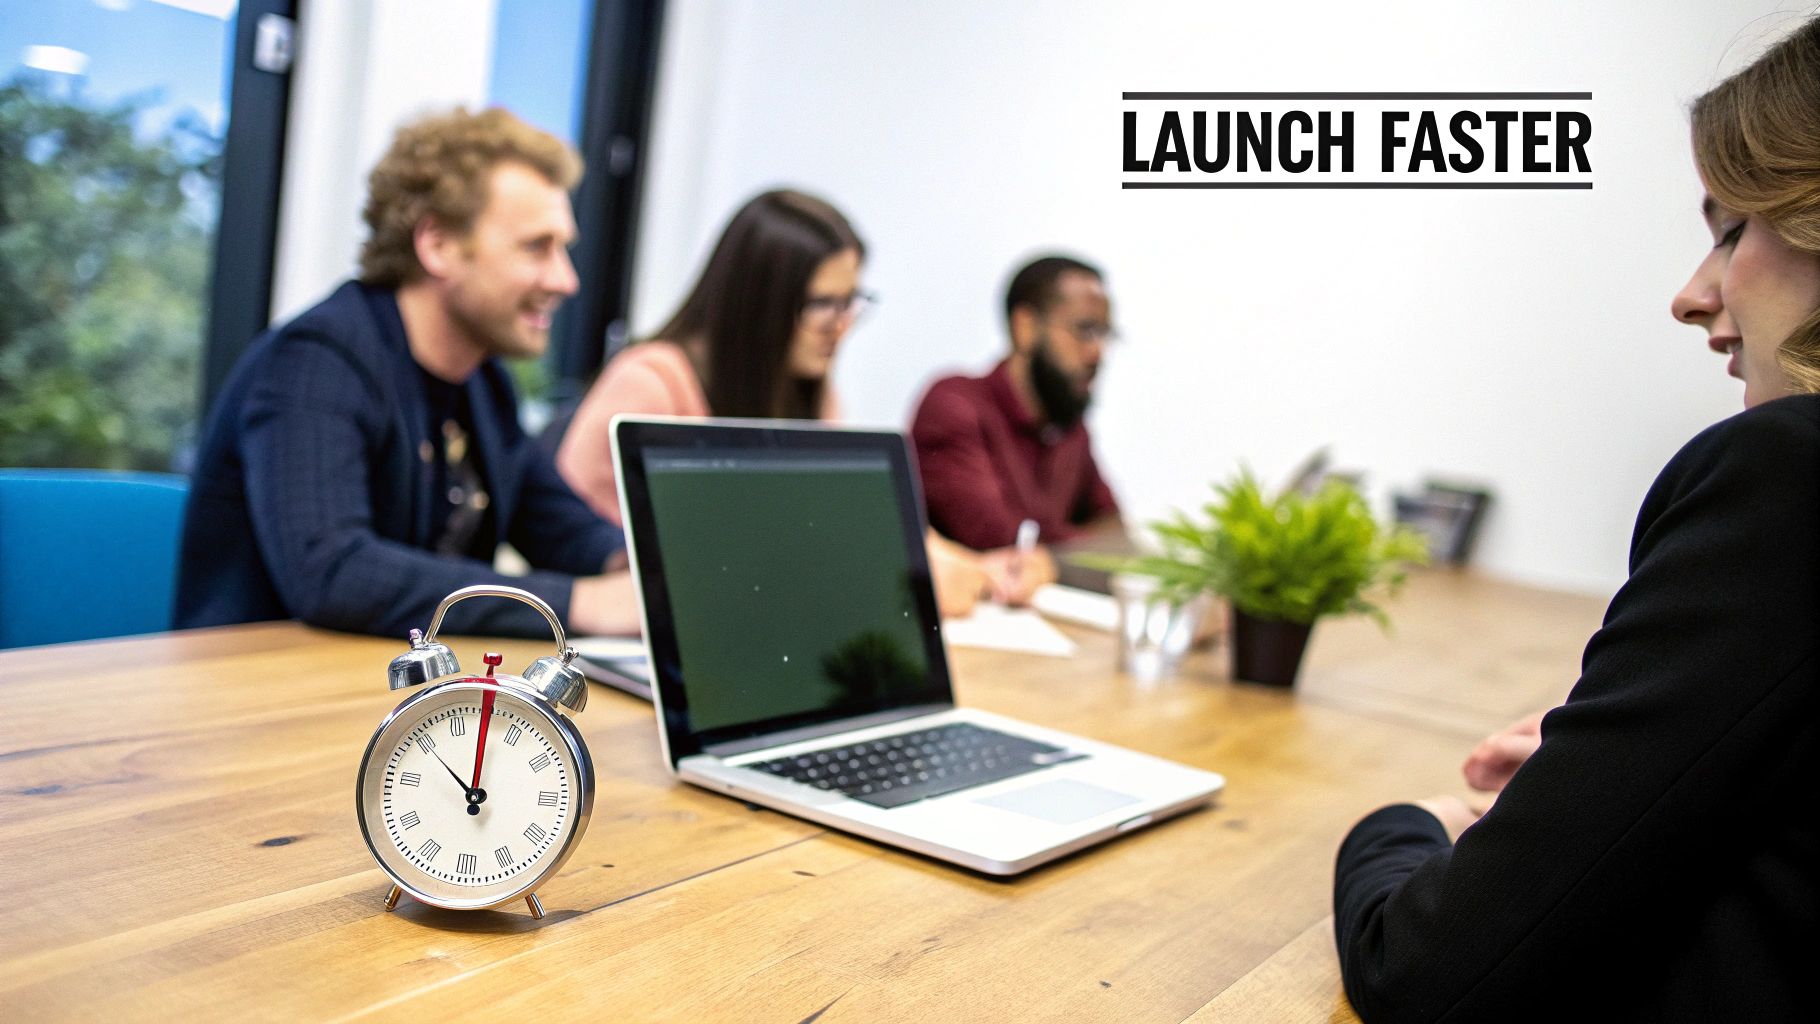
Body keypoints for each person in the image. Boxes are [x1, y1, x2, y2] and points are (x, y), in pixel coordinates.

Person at [1333, 19, 1820, 1022]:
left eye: (1732, 230)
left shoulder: (1788, 475)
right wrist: (1610, 794)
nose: (1691, 296)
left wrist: (1403, 827)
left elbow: (1429, 974)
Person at [175, 108, 639, 639]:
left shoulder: (483, 382)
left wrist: (632, 568)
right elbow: (334, 573)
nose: (566, 280)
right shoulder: (316, 361)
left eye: (564, 249)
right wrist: (577, 603)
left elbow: (554, 521)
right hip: (258, 697)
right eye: (537, 247)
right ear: (437, 244)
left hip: (390, 693)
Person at [555, 189, 1004, 614]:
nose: (842, 325)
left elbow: (850, 521)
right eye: (823, 304)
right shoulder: (652, 383)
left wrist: (985, 569)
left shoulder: (813, 393)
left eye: (851, 301)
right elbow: (590, 545)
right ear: (759, 302)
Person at [909, 255, 1122, 581]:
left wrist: (1052, 560)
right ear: (1025, 327)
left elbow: (1117, 538)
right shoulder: (954, 406)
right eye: (1085, 330)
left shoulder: (1069, 429)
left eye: (1104, 334)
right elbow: (1000, 544)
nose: (1097, 353)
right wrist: (1072, 554)